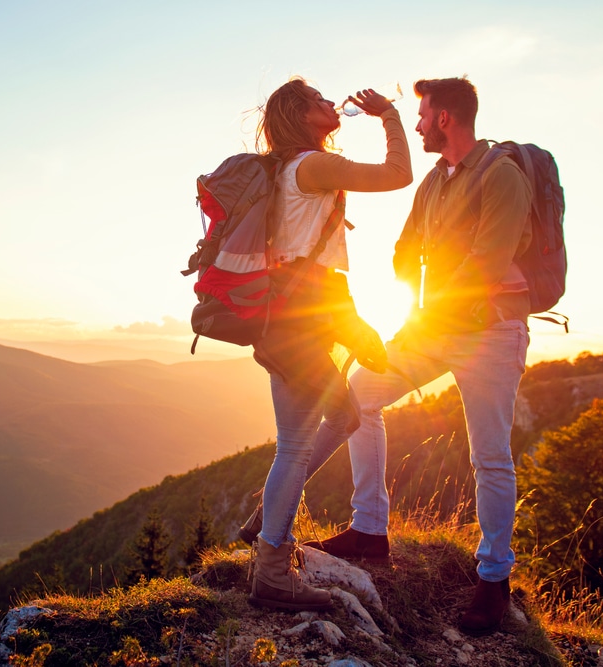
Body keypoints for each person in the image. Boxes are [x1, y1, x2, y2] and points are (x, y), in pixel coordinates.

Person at [302, 76, 534, 636]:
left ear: (446, 119)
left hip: (492, 333)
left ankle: (493, 578)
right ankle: (370, 528)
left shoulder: (502, 175)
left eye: (424, 116)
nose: (420, 124)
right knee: (359, 396)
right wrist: (416, 302)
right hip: (434, 329)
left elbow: (485, 263)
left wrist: (434, 312)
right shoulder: (435, 180)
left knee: (491, 457)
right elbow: (406, 248)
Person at [246, 77, 412, 612]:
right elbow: (398, 175)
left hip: (287, 316)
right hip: (297, 321)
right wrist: (388, 115)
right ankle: (270, 568)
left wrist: (351, 324)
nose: (329, 101)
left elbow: (308, 264)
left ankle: (265, 528)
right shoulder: (311, 166)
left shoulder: (283, 170)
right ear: (300, 114)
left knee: (336, 419)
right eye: (317, 98)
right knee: (298, 442)